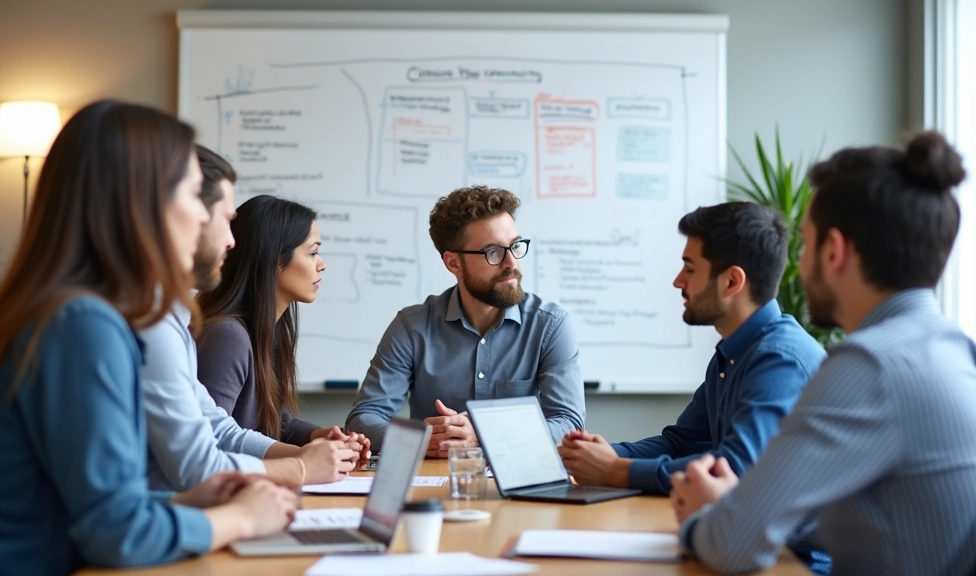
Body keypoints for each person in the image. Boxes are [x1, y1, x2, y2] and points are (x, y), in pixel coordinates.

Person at [0, 101, 297, 576]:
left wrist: (190, 499)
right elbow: (117, 532)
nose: (206, 220)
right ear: (145, 202)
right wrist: (238, 520)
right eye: (196, 196)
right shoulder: (84, 326)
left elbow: (77, 504)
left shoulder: (59, 308)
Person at [670, 131, 976, 576]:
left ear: (834, 251)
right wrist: (733, 508)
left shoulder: (869, 364)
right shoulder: (956, 350)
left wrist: (706, 516)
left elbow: (732, 547)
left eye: (807, 243)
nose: (799, 261)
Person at [557, 202, 831, 573]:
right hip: (747, 543)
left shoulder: (779, 359)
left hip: (792, 561)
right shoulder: (734, 351)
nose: (677, 281)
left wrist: (617, 471)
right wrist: (599, 454)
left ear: (732, 281)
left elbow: (737, 468)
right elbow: (680, 441)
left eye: (689, 269)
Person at [140, 146, 358, 492]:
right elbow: (204, 454)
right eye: (313, 252)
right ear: (274, 260)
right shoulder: (221, 334)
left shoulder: (179, 318)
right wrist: (300, 467)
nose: (231, 242)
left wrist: (314, 444)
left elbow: (228, 426)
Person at [346, 185, 585, 456]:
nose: (511, 263)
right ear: (453, 263)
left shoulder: (550, 325)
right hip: (432, 483)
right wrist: (426, 439)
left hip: (520, 483)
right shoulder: (411, 327)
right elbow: (363, 419)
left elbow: (568, 423)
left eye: (515, 246)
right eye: (493, 252)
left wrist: (485, 436)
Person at [195, 195, 370, 457]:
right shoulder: (227, 336)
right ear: (275, 261)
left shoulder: (263, 329)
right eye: (312, 253)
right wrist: (303, 458)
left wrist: (318, 436)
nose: (322, 264)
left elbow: (274, 420)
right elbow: (212, 437)